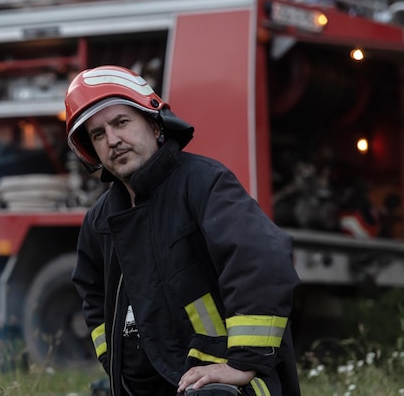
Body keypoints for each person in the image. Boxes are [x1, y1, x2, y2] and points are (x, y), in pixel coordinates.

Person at [65, 65, 301, 396]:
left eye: (121, 122)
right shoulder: (100, 220)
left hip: (220, 384)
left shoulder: (204, 183)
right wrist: (115, 362)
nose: (113, 140)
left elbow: (263, 262)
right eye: (98, 134)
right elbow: (92, 297)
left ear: (152, 121)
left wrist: (242, 364)